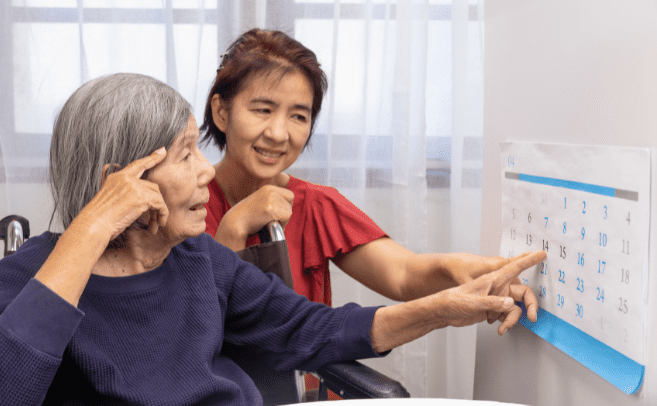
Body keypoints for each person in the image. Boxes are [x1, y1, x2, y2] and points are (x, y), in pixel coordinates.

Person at [0, 73, 545, 406]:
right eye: (184, 155)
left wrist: (443, 310)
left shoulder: (197, 260)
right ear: (121, 186)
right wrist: (91, 229)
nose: (206, 171)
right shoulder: (27, 281)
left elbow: (311, 330)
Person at [202, 28, 534, 314]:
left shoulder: (316, 205)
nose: (278, 133)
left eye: (299, 116)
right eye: (263, 109)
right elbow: (191, 324)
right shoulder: (182, 205)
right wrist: (233, 227)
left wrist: (469, 272)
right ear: (221, 112)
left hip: (301, 388)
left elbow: (402, 274)